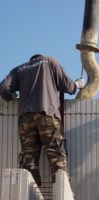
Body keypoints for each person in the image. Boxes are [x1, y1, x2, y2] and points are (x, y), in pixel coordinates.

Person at [0, 54, 85, 186]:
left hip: (25, 119)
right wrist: (78, 84)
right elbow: (68, 87)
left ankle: (31, 192)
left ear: (31, 60)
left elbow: (3, 87)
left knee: (29, 161)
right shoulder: (50, 61)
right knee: (56, 157)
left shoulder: (19, 69)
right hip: (48, 115)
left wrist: (10, 96)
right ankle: (60, 191)